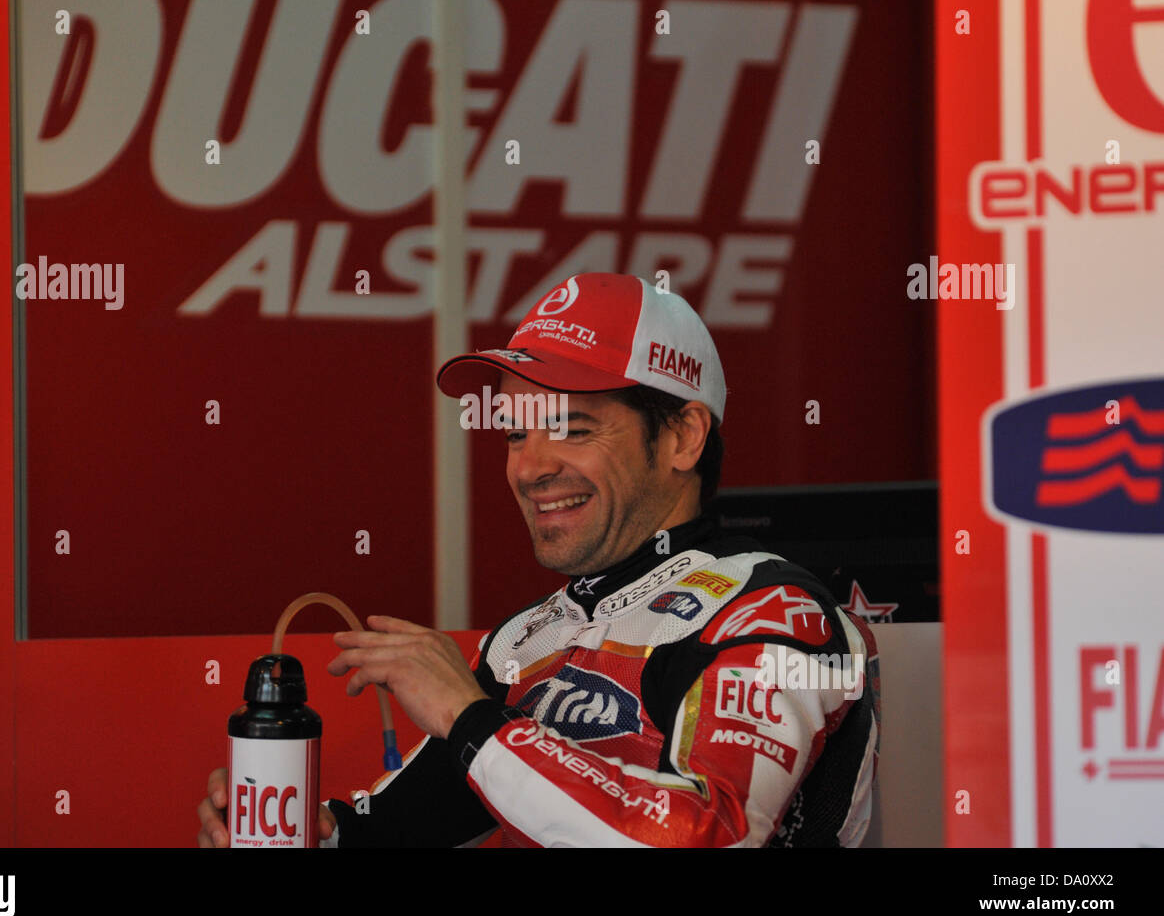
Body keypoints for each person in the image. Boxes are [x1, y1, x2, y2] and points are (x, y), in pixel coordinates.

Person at [197, 272, 880, 848]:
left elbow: (713, 833)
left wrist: (472, 719)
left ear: (683, 436)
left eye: (572, 429)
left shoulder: (772, 612)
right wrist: (306, 832)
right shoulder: (525, 642)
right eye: (516, 432)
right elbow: (397, 826)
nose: (530, 467)